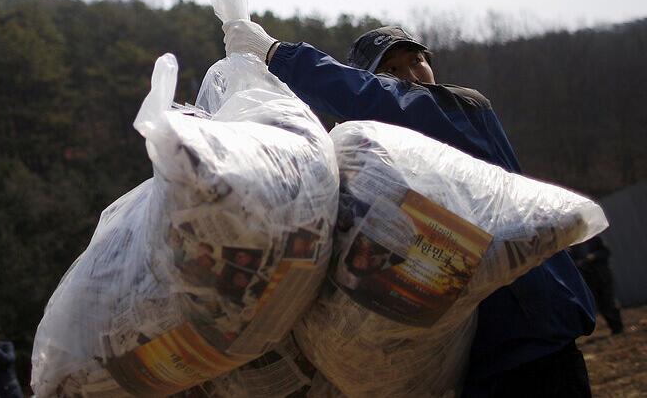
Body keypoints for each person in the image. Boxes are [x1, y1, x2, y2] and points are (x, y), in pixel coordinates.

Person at [223, 20, 597, 397]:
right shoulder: (377, 170)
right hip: (470, 363)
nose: (411, 75)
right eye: (392, 70)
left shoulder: (460, 108)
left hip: (532, 336)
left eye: (416, 60)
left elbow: (379, 100)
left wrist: (277, 54)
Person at [569, 236, 624, 334]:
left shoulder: (595, 239)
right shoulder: (573, 245)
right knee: (600, 304)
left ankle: (617, 327)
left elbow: (605, 252)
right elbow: (572, 261)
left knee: (608, 302)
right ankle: (614, 327)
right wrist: (579, 263)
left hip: (602, 275)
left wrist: (593, 256)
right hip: (588, 277)